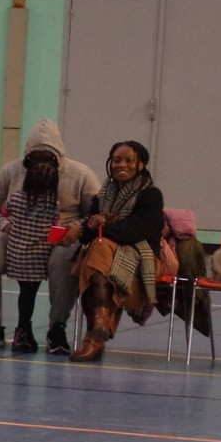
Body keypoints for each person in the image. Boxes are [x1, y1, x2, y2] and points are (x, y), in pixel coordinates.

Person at [0, 119, 101, 355]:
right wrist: (7, 226)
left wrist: (76, 228)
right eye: (35, 158)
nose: (41, 163)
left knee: (65, 257)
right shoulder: (10, 171)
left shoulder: (82, 175)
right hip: (18, 237)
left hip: (61, 241)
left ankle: (57, 328)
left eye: (47, 158)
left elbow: (95, 214)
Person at [68, 140, 165, 362]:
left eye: (129, 160)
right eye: (116, 160)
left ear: (140, 165)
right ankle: (99, 326)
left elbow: (133, 232)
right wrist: (90, 225)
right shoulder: (101, 197)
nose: (121, 165)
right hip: (104, 259)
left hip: (142, 259)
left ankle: (95, 333)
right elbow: (86, 236)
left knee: (98, 249)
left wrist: (99, 228)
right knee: (97, 253)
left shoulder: (151, 195)